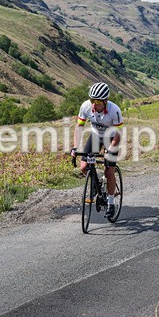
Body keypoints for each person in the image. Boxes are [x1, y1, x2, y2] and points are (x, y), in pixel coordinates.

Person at [71, 82, 123, 218]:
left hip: (111, 137)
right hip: (95, 136)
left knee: (109, 170)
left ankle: (111, 203)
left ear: (105, 101)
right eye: (92, 100)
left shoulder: (114, 110)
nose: (94, 104)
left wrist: (110, 150)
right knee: (84, 167)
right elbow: (79, 127)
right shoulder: (86, 107)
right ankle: (98, 182)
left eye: (98, 101)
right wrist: (75, 147)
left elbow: (119, 133)